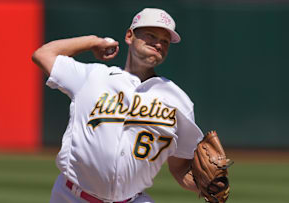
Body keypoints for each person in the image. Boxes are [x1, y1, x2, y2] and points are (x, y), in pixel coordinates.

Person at [32, 8, 204, 203]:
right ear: (129, 36)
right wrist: (93, 42)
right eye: (151, 35)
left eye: (165, 41)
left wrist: (205, 184)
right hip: (72, 197)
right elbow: (43, 54)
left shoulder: (179, 100)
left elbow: (180, 167)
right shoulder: (92, 76)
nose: (158, 44)